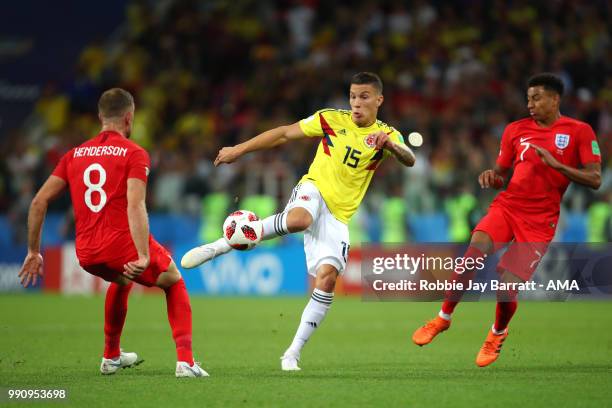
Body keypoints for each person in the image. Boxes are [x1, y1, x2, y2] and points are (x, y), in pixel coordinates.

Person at [181, 72, 416, 370]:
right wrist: (238, 150)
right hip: (313, 188)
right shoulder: (332, 119)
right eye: (353, 96)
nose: (356, 103)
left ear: (379, 100)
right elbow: (283, 133)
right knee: (299, 219)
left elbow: (410, 158)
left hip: (338, 214)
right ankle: (223, 245)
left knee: (328, 278)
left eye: (364, 97)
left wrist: (392, 147)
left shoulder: (387, 134)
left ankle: (292, 353)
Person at [412, 73, 602, 367]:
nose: (530, 104)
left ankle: (497, 333)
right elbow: (501, 172)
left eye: (537, 98)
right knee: (472, 256)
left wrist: (558, 166)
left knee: (505, 286)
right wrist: (492, 177)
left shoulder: (579, 131)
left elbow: (595, 179)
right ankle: (443, 318)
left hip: (540, 220)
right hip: (508, 206)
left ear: (555, 99)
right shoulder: (516, 130)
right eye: (528, 98)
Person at [18, 88, 208, 378]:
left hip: (86, 252)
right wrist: (144, 254)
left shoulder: (74, 155)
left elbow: (38, 201)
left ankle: (111, 356)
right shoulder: (134, 153)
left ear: (100, 117)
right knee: (173, 280)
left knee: (122, 278)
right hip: (120, 244)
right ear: (129, 117)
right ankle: (186, 362)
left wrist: (33, 251)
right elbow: (135, 203)